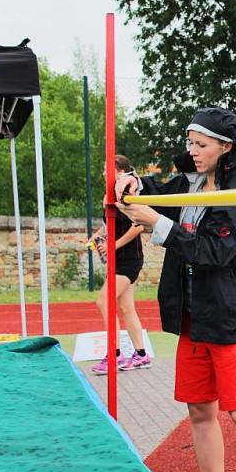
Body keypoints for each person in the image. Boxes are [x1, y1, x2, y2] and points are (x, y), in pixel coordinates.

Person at [114, 107, 236, 472]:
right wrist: (134, 182)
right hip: (195, 317)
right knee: (199, 410)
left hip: (233, 317)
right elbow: (156, 192)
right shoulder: (190, 183)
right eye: (190, 142)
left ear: (226, 146)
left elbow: (213, 252)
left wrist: (157, 223)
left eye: (201, 144)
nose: (193, 150)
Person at [89, 155, 151, 374]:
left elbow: (137, 227)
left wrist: (113, 246)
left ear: (121, 170)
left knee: (104, 301)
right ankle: (141, 355)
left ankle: (114, 355)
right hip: (121, 259)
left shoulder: (128, 193)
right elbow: (111, 224)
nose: (104, 173)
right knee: (126, 308)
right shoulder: (110, 194)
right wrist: (97, 235)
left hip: (129, 260)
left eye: (108, 169)